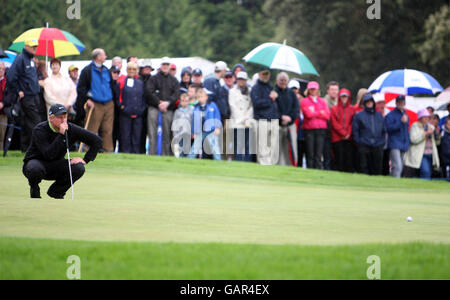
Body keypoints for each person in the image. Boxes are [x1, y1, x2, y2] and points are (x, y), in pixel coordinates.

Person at [22, 104, 102, 199]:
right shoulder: (40, 130)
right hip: (37, 163)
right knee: (34, 168)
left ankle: (56, 192)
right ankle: (34, 189)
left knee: (79, 168)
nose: (64, 121)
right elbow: (48, 155)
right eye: (60, 117)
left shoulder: (71, 128)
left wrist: (86, 159)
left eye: (65, 117)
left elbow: (97, 140)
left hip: (56, 164)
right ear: (51, 118)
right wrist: (61, 135)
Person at [6, 39, 45, 152]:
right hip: (27, 97)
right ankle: (37, 148)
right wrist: (18, 90)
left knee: (28, 123)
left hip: (35, 96)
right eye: (33, 46)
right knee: (36, 121)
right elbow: (11, 77)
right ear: (26, 46)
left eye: (36, 46)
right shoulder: (21, 59)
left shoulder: (31, 60)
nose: (35, 48)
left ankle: (26, 148)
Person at [75, 48, 116, 152]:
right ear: (98, 57)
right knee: (92, 129)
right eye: (104, 55)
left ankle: (107, 150)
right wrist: (87, 99)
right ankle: (88, 150)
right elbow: (81, 88)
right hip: (94, 103)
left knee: (107, 129)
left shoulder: (106, 70)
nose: (106, 57)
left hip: (108, 103)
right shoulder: (87, 70)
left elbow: (111, 85)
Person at [145, 57, 179, 156]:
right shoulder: (153, 78)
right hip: (154, 107)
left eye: (167, 65)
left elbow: (176, 93)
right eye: (163, 65)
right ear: (160, 66)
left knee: (167, 134)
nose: (165, 66)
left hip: (168, 109)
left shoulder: (174, 80)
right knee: (152, 133)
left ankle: (166, 155)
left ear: (169, 66)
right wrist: (159, 103)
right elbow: (149, 92)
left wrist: (168, 103)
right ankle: (152, 154)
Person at [250, 67, 280, 165]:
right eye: (263, 74)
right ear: (259, 74)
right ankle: (263, 164)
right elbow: (257, 103)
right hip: (262, 119)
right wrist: (270, 99)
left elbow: (275, 103)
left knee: (273, 145)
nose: (265, 76)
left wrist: (275, 97)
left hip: (273, 119)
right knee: (262, 145)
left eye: (267, 74)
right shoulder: (255, 88)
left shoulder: (270, 86)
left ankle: (270, 163)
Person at [352, 94, 386, 175]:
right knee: (364, 167)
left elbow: (383, 130)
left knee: (377, 168)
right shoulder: (359, 115)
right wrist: (359, 142)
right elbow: (355, 130)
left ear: (373, 102)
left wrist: (382, 142)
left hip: (378, 144)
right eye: (367, 102)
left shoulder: (379, 115)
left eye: (371, 101)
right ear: (364, 103)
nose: (369, 103)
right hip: (364, 144)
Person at [117, 62, 146, 154]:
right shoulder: (121, 83)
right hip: (125, 114)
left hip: (138, 114)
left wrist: (141, 110)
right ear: (127, 70)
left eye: (133, 69)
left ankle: (135, 155)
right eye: (130, 69)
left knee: (137, 136)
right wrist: (123, 109)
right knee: (126, 136)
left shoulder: (140, 83)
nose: (131, 71)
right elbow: (118, 98)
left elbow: (143, 98)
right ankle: (126, 154)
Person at [301, 81, 330, 169]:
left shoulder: (322, 101)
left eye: (315, 89)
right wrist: (320, 113)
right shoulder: (305, 101)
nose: (313, 90)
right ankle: (310, 169)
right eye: (311, 89)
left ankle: (318, 170)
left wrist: (315, 113)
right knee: (310, 153)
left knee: (318, 153)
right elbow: (308, 115)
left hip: (321, 129)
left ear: (318, 90)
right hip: (309, 130)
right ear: (308, 90)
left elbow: (327, 115)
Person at [404, 109, 440, 180]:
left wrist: (437, 135)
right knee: (425, 172)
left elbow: (437, 143)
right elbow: (413, 139)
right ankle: (424, 187)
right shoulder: (415, 126)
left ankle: (425, 187)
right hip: (421, 154)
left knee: (429, 172)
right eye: (425, 117)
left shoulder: (431, 127)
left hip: (431, 154)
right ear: (420, 118)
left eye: (428, 117)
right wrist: (425, 134)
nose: (427, 119)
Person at [188, 88, 222, 161]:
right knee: (195, 148)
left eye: (202, 96)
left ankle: (219, 162)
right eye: (199, 97)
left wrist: (217, 127)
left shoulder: (212, 106)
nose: (200, 98)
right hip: (200, 132)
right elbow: (194, 122)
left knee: (215, 148)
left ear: (206, 97)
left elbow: (217, 116)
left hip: (211, 130)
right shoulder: (196, 109)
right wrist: (194, 132)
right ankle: (188, 161)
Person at [228, 71, 254, 162]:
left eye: (243, 79)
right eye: (239, 79)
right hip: (237, 122)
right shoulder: (232, 91)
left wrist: (247, 117)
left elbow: (251, 106)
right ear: (237, 80)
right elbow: (232, 106)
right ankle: (238, 162)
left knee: (248, 145)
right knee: (238, 144)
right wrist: (242, 119)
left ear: (246, 80)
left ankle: (248, 162)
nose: (241, 81)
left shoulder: (250, 91)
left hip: (248, 121)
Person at [274, 72, 299, 166]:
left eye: (284, 80)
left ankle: (291, 166)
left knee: (291, 148)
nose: (283, 82)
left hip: (290, 125)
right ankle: (277, 166)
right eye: (281, 80)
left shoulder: (292, 93)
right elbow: (272, 108)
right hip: (277, 125)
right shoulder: (274, 92)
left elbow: (296, 108)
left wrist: (290, 118)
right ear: (277, 81)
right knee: (277, 149)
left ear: (287, 81)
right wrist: (281, 117)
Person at [330, 89, 356, 172]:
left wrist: (348, 133)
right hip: (337, 138)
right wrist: (343, 133)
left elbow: (352, 123)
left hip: (349, 139)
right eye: (342, 97)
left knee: (348, 159)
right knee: (339, 159)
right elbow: (334, 123)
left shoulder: (352, 109)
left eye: (345, 97)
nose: (344, 98)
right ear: (339, 97)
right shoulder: (334, 109)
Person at [384, 95, 410, 178]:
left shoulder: (406, 115)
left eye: (402, 102)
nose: (401, 103)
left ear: (405, 103)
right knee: (397, 166)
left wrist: (407, 143)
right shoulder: (390, 115)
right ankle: (395, 183)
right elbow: (389, 128)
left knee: (401, 166)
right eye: (399, 102)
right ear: (396, 103)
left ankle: (395, 181)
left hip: (403, 144)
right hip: (394, 143)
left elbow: (406, 131)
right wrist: (400, 122)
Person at [323, 81, 339, 170]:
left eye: (336, 89)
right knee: (327, 156)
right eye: (332, 89)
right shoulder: (323, 102)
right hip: (327, 133)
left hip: (337, 134)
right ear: (328, 91)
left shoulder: (340, 102)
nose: (334, 92)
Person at [172, 93, 194, 157]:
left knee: (187, 150)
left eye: (186, 101)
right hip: (180, 135)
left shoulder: (192, 110)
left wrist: (193, 132)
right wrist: (175, 135)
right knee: (180, 151)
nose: (184, 103)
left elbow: (193, 122)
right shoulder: (177, 112)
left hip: (189, 135)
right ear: (180, 102)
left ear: (189, 101)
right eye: (183, 101)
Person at [0, 62, 7, 150]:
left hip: (3, 112)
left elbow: (10, 95)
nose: (1, 70)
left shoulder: (7, 82)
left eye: (2, 69)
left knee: (1, 136)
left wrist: (3, 103)